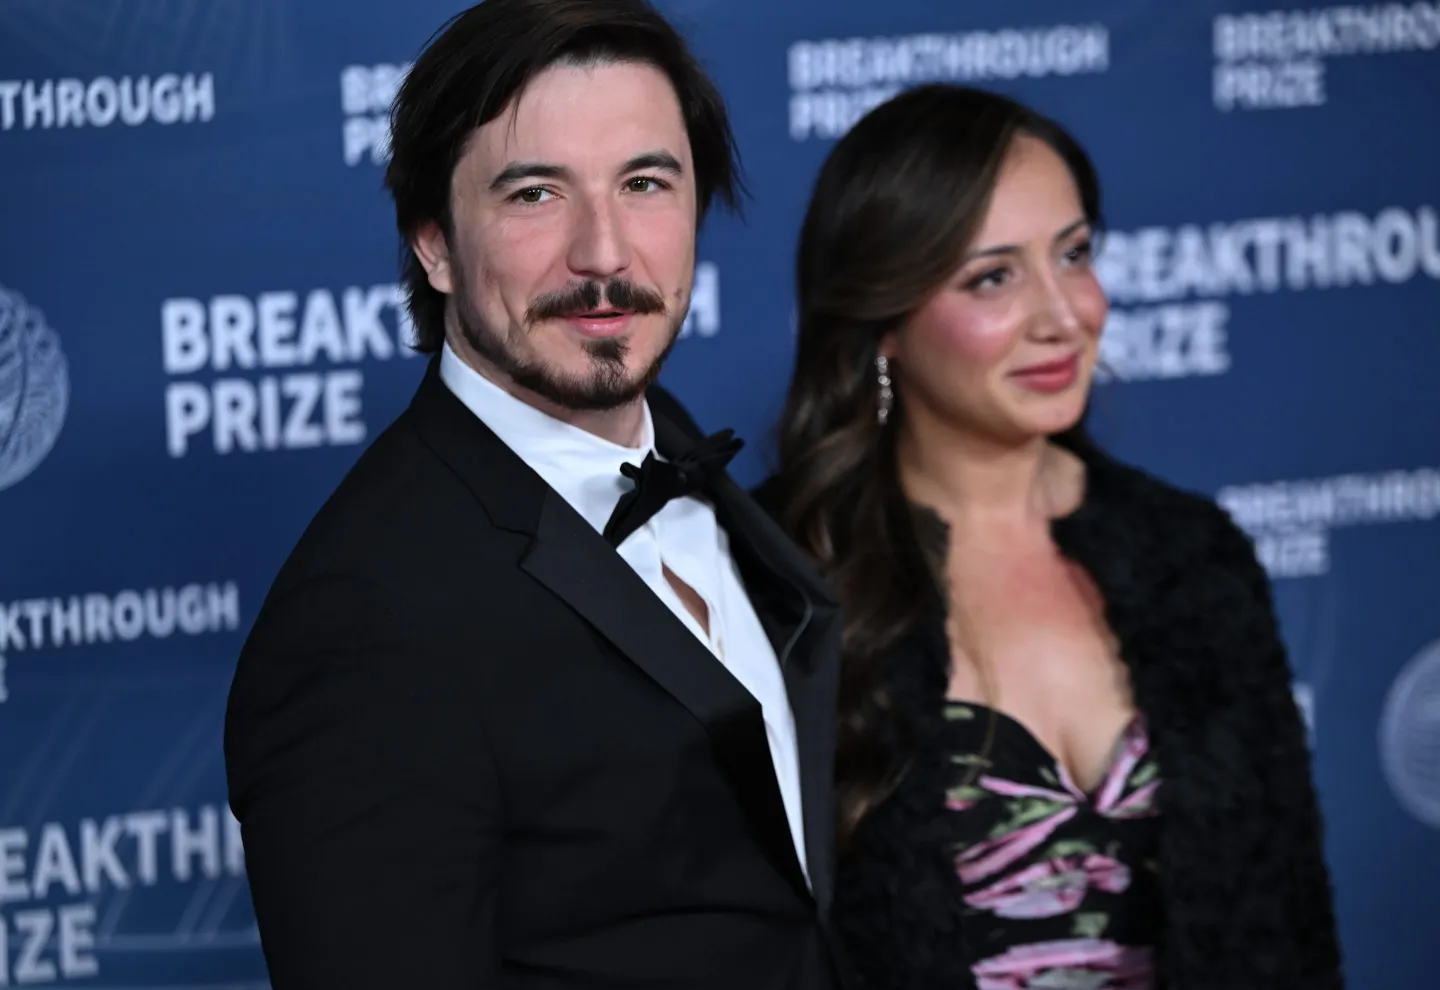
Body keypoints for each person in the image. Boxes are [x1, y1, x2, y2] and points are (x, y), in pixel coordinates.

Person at [223, 1, 845, 987]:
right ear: (433, 244)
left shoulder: (680, 450)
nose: (604, 254)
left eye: (645, 183)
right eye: (535, 196)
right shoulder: (362, 624)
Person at [758, 84, 1344, 990]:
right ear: (885, 324)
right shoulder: (771, 579)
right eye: (993, 276)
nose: (1063, 314)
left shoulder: (1193, 553)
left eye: (1073, 255)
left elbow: (1291, 926)